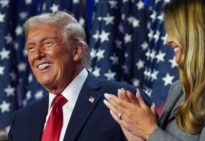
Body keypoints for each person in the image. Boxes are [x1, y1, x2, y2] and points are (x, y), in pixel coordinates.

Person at [103, 0, 205, 140]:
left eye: (174, 30)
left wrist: (148, 130)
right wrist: (137, 133)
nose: (167, 40)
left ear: (198, 33)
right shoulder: (178, 88)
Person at [7, 11, 152, 141]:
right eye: (31, 47)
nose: (37, 54)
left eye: (48, 43)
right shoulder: (22, 120)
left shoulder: (123, 101)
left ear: (76, 51)